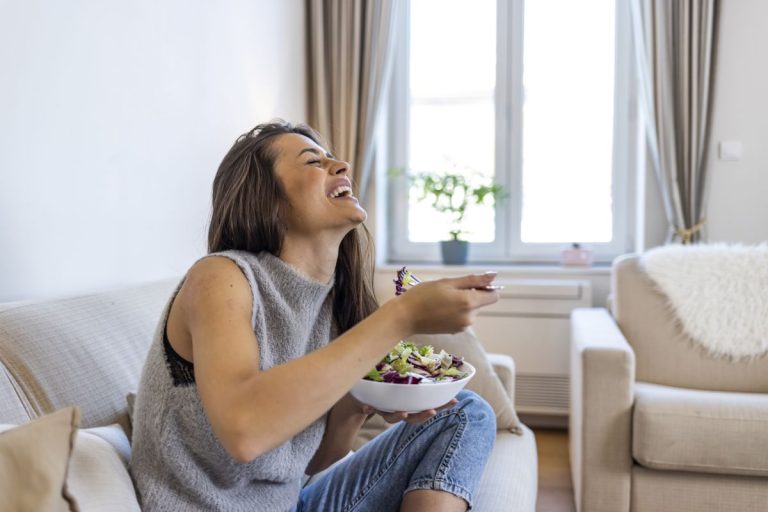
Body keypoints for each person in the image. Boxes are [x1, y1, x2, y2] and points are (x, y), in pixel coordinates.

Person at [130, 120, 500, 511]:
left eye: (331, 158)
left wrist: (357, 404)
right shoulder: (221, 277)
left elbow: (311, 462)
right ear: (266, 197)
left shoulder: (331, 305)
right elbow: (245, 432)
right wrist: (401, 316)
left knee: (466, 413)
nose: (342, 166)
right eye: (313, 161)